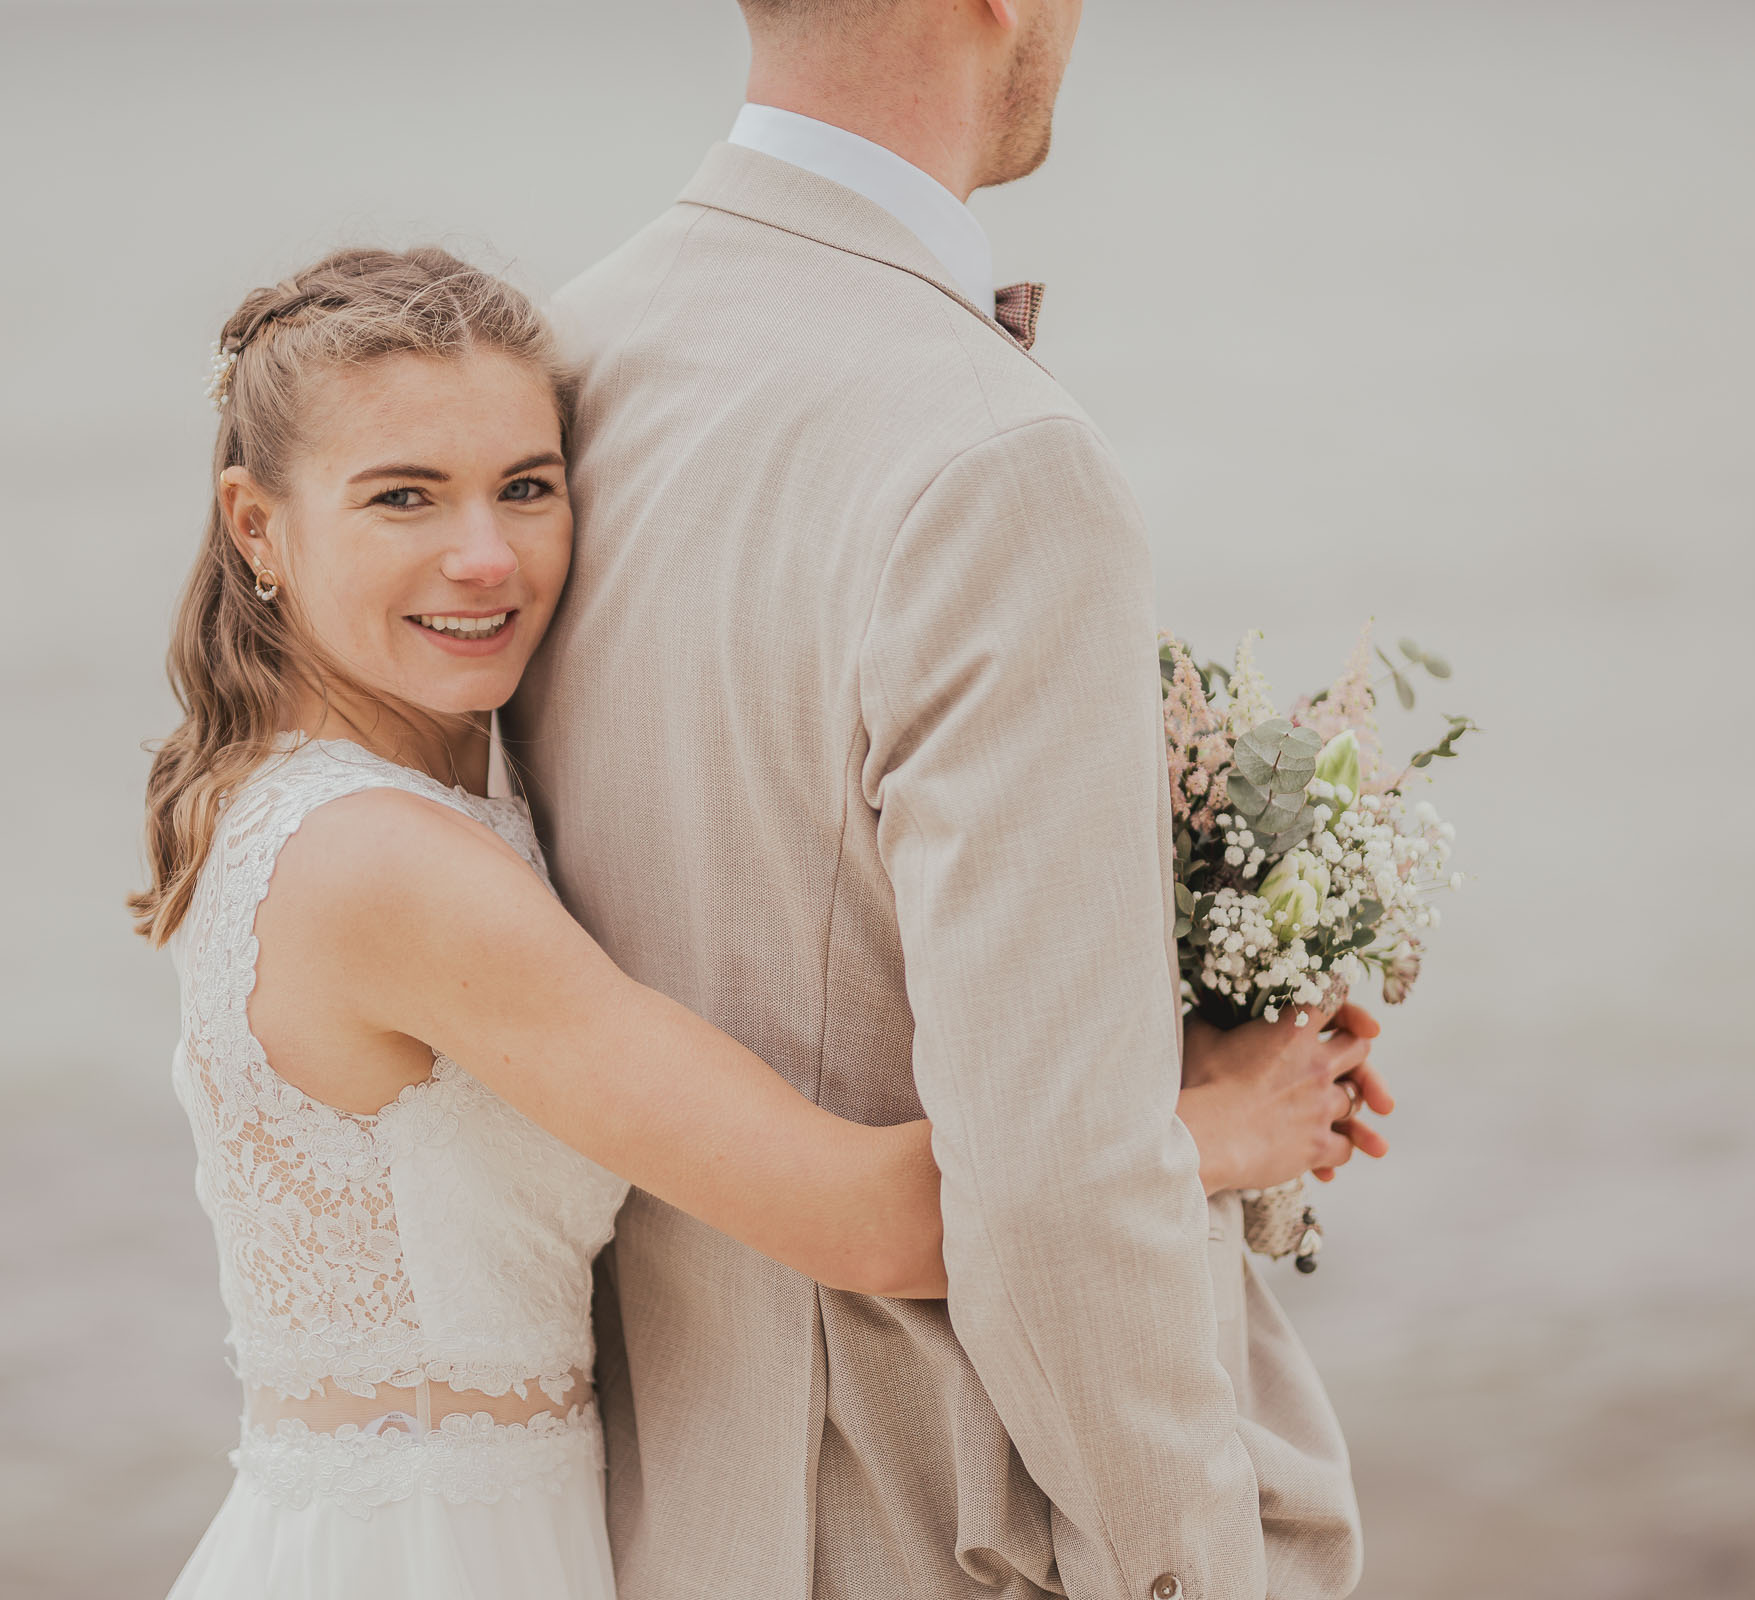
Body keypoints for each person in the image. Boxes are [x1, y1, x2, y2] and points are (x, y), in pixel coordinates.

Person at [137, 244, 1383, 1598]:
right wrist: (1208, 1129)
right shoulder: (385, 865)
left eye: (528, 487)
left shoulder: (337, 797)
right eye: (404, 498)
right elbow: (859, 1220)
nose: (485, 556)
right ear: (256, 525)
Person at [511, 2, 1386, 1597]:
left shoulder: (559, 363)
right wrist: (1197, 1563)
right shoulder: (994, 462)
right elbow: (1052, 1190)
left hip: (649, 1527)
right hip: (922, 1534)